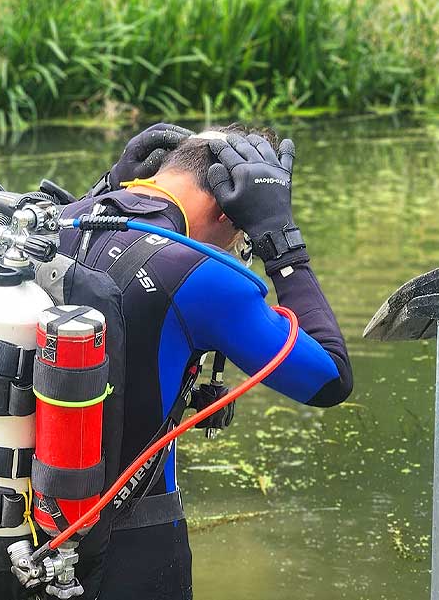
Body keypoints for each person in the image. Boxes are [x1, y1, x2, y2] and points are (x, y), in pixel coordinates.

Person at [57, 123, 353, 599]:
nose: (239, 249)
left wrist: (102, 188)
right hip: (131, 550)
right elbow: (329, 378)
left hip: (21, 537)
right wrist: (282, 243)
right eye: (243, 237)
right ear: (229, 209)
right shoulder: (199, 273)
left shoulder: (51, 226)